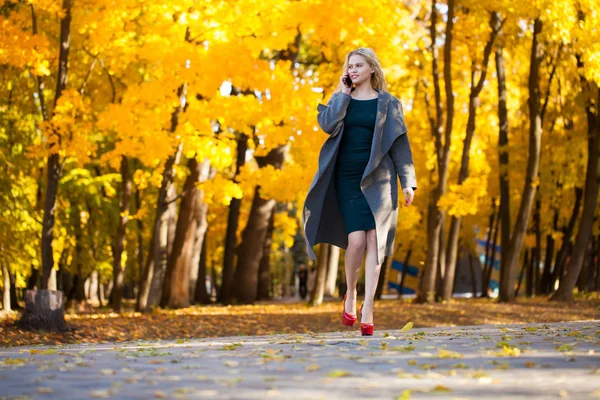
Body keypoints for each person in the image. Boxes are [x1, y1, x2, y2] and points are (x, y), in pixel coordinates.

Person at [302, 48, 417, 336]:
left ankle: (368, 308)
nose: (352, 70)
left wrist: (408, 181)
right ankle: (351, 293)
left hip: (380, 179)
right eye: (349, 66)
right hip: (347, 178)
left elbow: (400, 145)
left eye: (358, 65)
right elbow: (326, 124)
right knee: (355, 243)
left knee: (374, 242)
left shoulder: (389, 104)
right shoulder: (342, 99)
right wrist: (341, 93)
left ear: (372, 69)